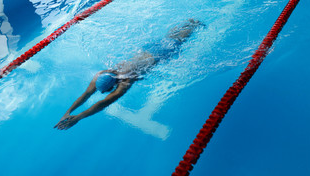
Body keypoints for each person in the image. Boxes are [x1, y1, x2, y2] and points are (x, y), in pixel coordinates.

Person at [54, 19, 204, 130]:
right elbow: (86, 94)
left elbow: (102, 103)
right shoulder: (104, 73)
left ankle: (195, 24)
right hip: (146, 49)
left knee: (178, 40)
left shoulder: (125, 82)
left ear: (111, 87)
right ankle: (189, 22)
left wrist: (78, 117)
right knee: (168, 38)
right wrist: (68, 112)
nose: (105, 93)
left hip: (158, 56)